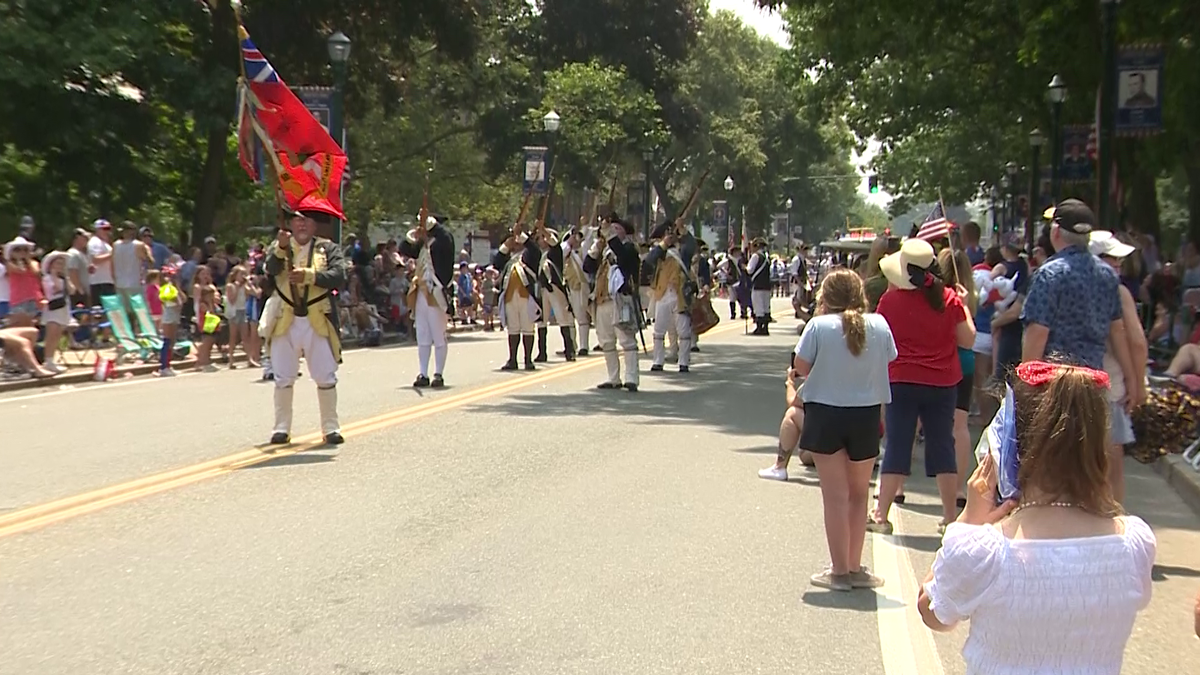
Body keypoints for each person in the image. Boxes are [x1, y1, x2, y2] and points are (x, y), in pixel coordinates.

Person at [918, 361, 1155, 674]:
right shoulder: (1134, 544)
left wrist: (969, 518)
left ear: (1011, 445)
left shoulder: (984, 551)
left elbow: (933, 611)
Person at [793, 270, 897, 590]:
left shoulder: (818, 326)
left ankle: (838, 571)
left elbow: (801, 366)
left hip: (826, 413)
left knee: (835, 496)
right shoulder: (879, 325)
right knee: (858, 493)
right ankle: (853, 566)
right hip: (865, 414)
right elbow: (890, 358)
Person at [873, 238, 976, 534]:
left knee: (897, 444)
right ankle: (948, 517)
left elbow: (880, 339)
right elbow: (967, 340)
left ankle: (881, 514)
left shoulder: (890, 301)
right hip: (942, 382)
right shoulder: (949, 300)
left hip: (902, 380)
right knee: (943, 444)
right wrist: (965, 307)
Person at [261, 199, 348, 446]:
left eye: (306, 220)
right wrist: (280, 248)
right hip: (285, 318)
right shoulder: (279, 247)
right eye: (297, 219)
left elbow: (338, 276)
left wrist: (310, 276)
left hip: (316, 317)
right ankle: (281, 428)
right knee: (283, 377)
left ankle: (331, 427)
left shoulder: (327, 249)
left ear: (314, 225)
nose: (301, 224)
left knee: (325, 375)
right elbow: (269, 269)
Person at [1090, 231, 1148, 504]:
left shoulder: (1061, 283)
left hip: (1070, 385)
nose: (1119, 264)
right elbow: (1136, 340)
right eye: (1112, 258)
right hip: (1110, 386)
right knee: (1111, 472)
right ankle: (1112, 529)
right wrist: (1138, 382)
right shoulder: (1118, 291)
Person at [583, 215, 641, 392]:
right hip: (602, 300)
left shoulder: (629, 249)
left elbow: (623, 259)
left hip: (620, 300)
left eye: (616, 230)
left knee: (627, 340)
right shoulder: (605, 251)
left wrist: (609, 235)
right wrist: (596, 247)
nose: (611, 233)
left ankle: (631, 377)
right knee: (606, 341)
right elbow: (588, 267)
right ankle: (613, 377)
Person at [399, 215, 455, 388]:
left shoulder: (443, 240)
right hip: (420, 292)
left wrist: (431, 227)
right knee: (422, 335)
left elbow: (444, 242)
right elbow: (405, 248)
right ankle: (423, 373)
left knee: (438, 335)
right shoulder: (424, 244)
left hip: (436, 291)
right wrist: (414, 234)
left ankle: (438, 373)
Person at [646, 220, 697, 374]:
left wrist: (684, 229)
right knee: (659, 330)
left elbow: (692, 246)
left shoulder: (682, 251)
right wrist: (663, 245)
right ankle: (658, 361)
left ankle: (683, 362)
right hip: (662, 294)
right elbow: (649, 260)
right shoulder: (659, 251)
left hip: (680, 294)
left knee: (684, 331)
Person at [493, 222, 542, 371]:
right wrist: (506, 246)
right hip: (510, 297)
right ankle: (512, 359)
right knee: (513, 329)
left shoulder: (528, 255)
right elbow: (497, 263)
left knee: (528, 328)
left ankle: (528, 360)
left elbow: (536, 252)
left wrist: (524, 239)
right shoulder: (509, 258)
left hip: (526, 297)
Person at [534, 224, 576, 362]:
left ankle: (569, 351)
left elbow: (553, 241)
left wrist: (543, 230)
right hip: (542, 289)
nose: (540, 240)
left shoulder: (555, 251)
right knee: (541, 321)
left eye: (542, 237)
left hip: (555, 288)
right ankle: (542, 353)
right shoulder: (539, 254)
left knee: (562, 319)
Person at [562, 226, 591, 356]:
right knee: (568, 318)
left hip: (580, 286)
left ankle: (584, 346)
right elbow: (562, 251)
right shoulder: (565, 250)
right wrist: (569, 242)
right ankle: (571, 345)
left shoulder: (583, 250)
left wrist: (584, 228)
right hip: (568, 286)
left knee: (581, 316)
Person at [746, 238, 773, 335]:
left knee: (758, 307)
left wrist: (744, 267)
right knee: (766, 307)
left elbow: (750, 270)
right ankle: (765, 328)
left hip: (757, 285)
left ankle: (759, 328)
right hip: (766, 285)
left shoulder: (755, 256)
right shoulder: (767, 257)